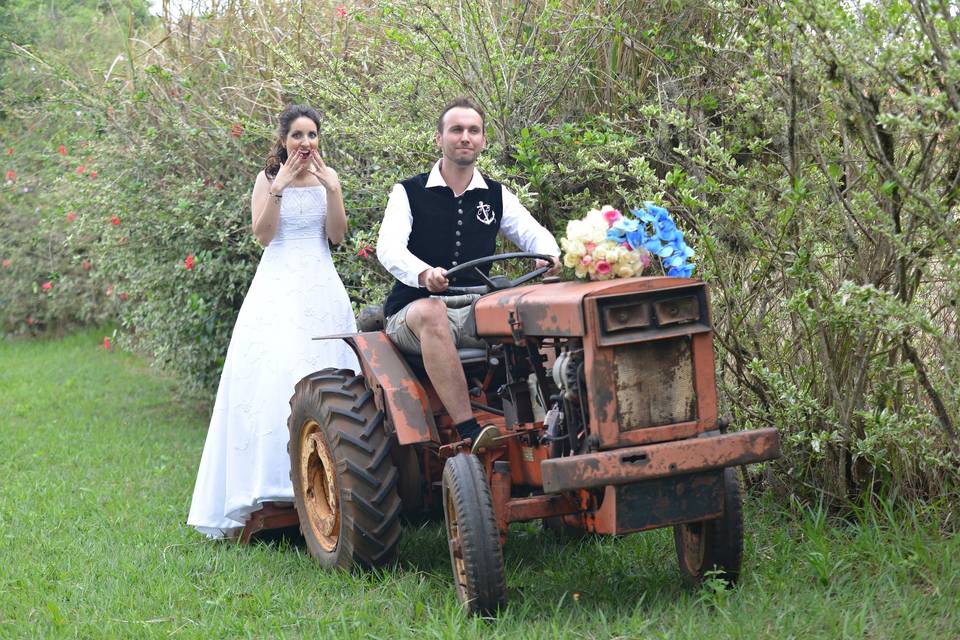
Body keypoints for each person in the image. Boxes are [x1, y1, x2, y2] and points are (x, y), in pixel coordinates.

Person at [188, 104, 359, 538]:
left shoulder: (327, 179)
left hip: (321, 282)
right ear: (283, 140)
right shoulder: (267, 180)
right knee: (277, 373)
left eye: (313, 135)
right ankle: (274, 489)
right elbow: (263, 236)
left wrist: (334, 190)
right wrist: (280, 187)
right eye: (298, 135)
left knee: (326, 371)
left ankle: (331, 483)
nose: (306, 143)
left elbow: (337, 237)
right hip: (278, 285)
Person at [376, 97, 559, 450]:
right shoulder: (408, 192)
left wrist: (549, 254)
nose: (465, 137)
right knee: (432, 312)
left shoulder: (496, 194)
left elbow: (533, 233)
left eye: (473, 130)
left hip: (476, 309)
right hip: (413, 311)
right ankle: (468, 430)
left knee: (532, 310)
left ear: (483, 140)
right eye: (456, 130)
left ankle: (546, 419)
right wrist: (423, 273)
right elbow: (389, 248)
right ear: (439, 138)